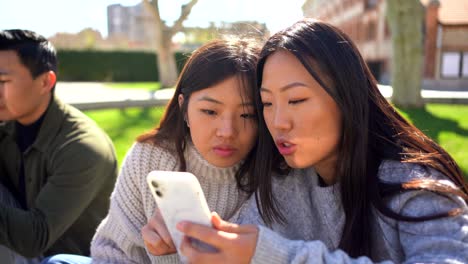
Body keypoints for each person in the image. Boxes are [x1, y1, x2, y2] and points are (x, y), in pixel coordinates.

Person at [175, 19, 468, 263]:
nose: (278, 122)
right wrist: (185, 235)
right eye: (266, 103)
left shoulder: (416, 187)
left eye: (296, 100)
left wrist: (281, 257)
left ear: (347, 98)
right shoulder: (280, 183)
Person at [42, 38, 261, 263]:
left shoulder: (278, 169)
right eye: (210, 111)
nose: (227, 131)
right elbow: (111, 253)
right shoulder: (149, 157)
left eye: (247, 115)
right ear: (184, 108)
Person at [0, 29, 118, 262]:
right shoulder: (8, 127)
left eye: (3, 81)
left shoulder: (83, 147)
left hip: (66, 258)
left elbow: (35, 238)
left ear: (45, 81)